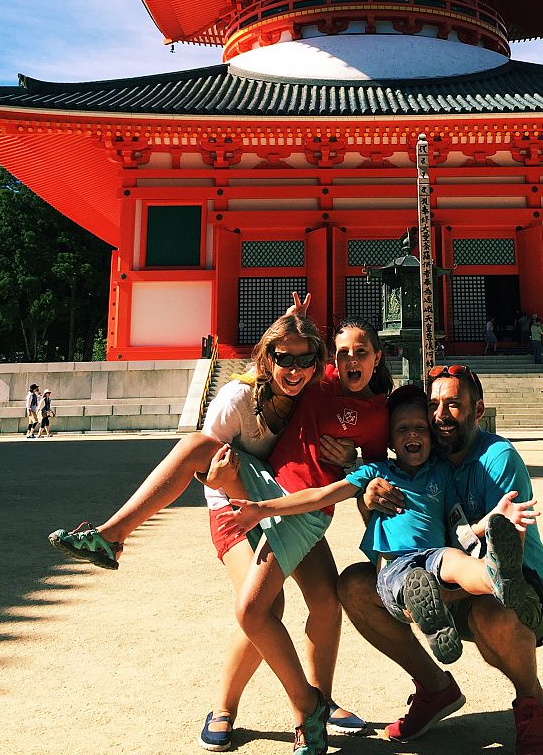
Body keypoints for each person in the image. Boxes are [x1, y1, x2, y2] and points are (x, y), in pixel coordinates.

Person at [47, 307, 376, 752]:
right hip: (234, 504)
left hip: (286, 503)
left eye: (304, 361)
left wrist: (351, 458)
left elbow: (355, 425)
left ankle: (322, 700)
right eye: (284, 359)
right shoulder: (236, 400)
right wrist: (219, 484)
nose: (294, 370)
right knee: (262, 607)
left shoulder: (314, 392)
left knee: (325, 600)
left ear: (319, 365)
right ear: (266, 359)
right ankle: (227, 705)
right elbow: (205, 468)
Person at [229, 384, 540, 667]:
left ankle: (496, 578)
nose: (412, 435)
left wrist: (493, 519)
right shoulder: (375, 473)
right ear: (389, 439)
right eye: (402, 429)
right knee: (412, 583)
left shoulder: (441, 474)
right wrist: (261, 508)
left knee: (454, 560)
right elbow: (320, 495)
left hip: (434, 555)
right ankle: (433, 622)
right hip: (395, 567)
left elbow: (459, 526)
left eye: (420, 428)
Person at [338, 363, 543, 754]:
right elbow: (394, 539)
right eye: (435, 405)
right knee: (355, 586)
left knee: (491, 614)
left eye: (453, 405)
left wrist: (428, 592)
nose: (441, 415)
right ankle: (434, 689)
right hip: (448, 579)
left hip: (514, 589)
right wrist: (366, 499)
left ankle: (531, 704)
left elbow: (508, 552)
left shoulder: (497, 459)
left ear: (477, 411)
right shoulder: (425, 462)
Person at [222, 319, 392, 755]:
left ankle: (317, 701)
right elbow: (288, 354)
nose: (351, 359)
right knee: (273, 607)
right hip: (265, 490)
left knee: (307, 603)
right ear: (331, 361)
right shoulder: (319, 380)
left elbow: (369, 476)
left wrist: (355, 462)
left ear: (378, 357)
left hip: (307, 512)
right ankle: (300, 705)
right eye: (343, 353)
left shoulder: (380, 419)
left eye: (362, 352)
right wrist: (296, 317)